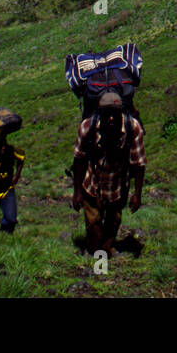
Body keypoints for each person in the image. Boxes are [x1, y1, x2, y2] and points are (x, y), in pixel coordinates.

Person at [71, 92, 145, 255]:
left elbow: (139, 164)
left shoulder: (133, 128)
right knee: (93, 222)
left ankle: (106, 247)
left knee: (114, 220)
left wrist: (137, 194)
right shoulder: (87, 127)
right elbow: (79, 160)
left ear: (122, 113)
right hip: (93, 181)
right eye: (106, 114)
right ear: (99, 113)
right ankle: (98, 258)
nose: (111, 119)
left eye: (115, 114)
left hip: (118, 183)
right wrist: (77, 192)